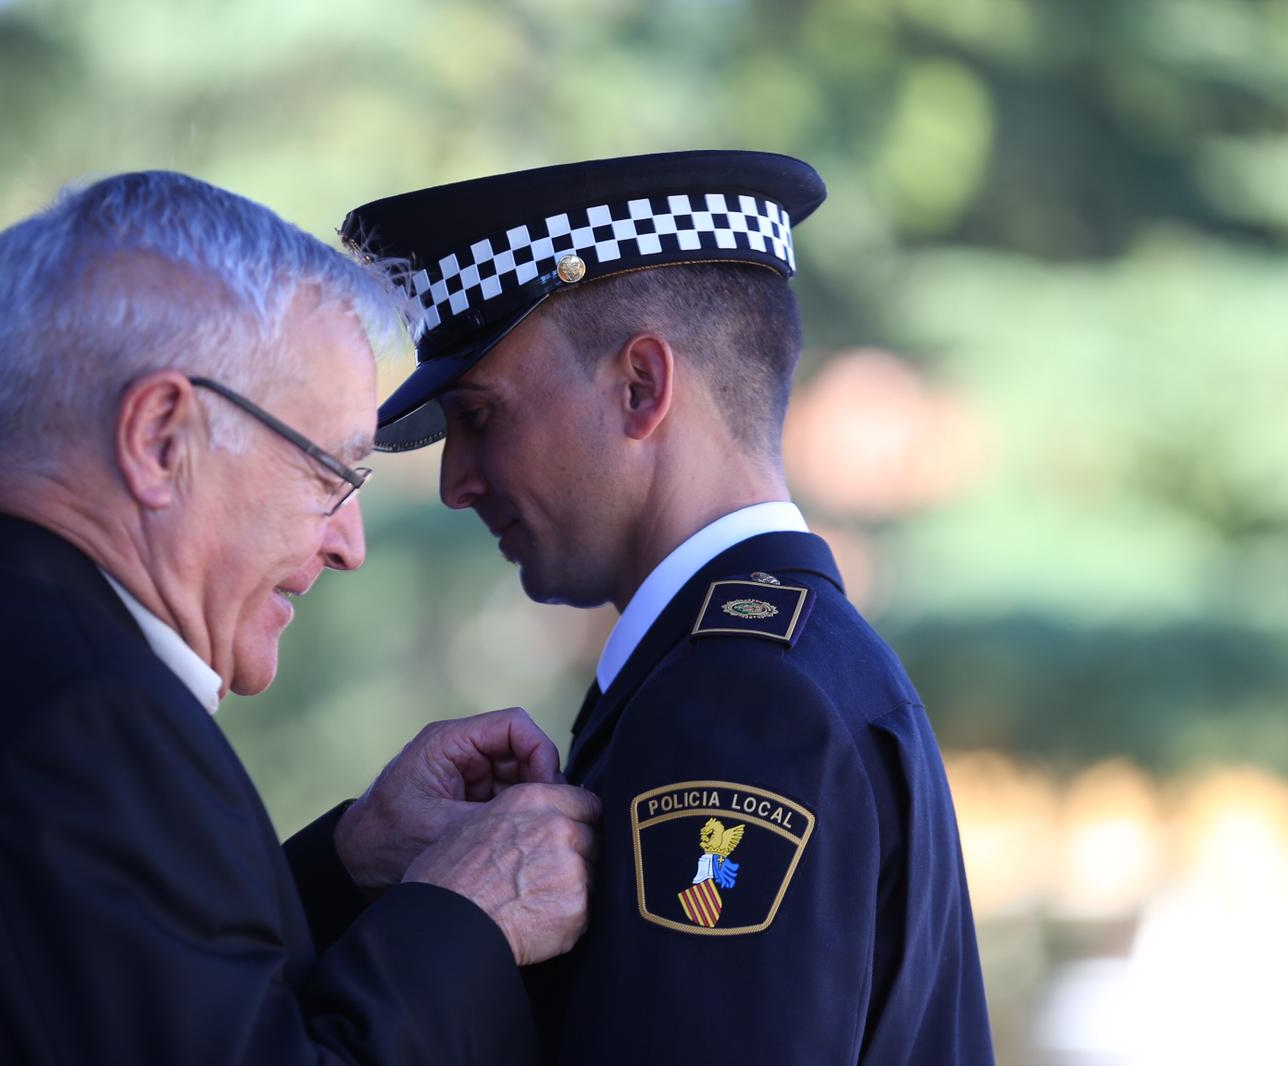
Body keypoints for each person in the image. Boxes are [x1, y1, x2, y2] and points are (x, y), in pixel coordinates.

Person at [0, 171, 601, 1065]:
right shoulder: (86, 727)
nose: (349, 544)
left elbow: (111, 998)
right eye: (330, 472)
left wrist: (347, 864)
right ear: (160, 440)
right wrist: (469, 919)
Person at [342, 150, 994, 1064]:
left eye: (480, 415)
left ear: (641, 387)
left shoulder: (739, 704)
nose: (456, 481)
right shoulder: (788, 666)